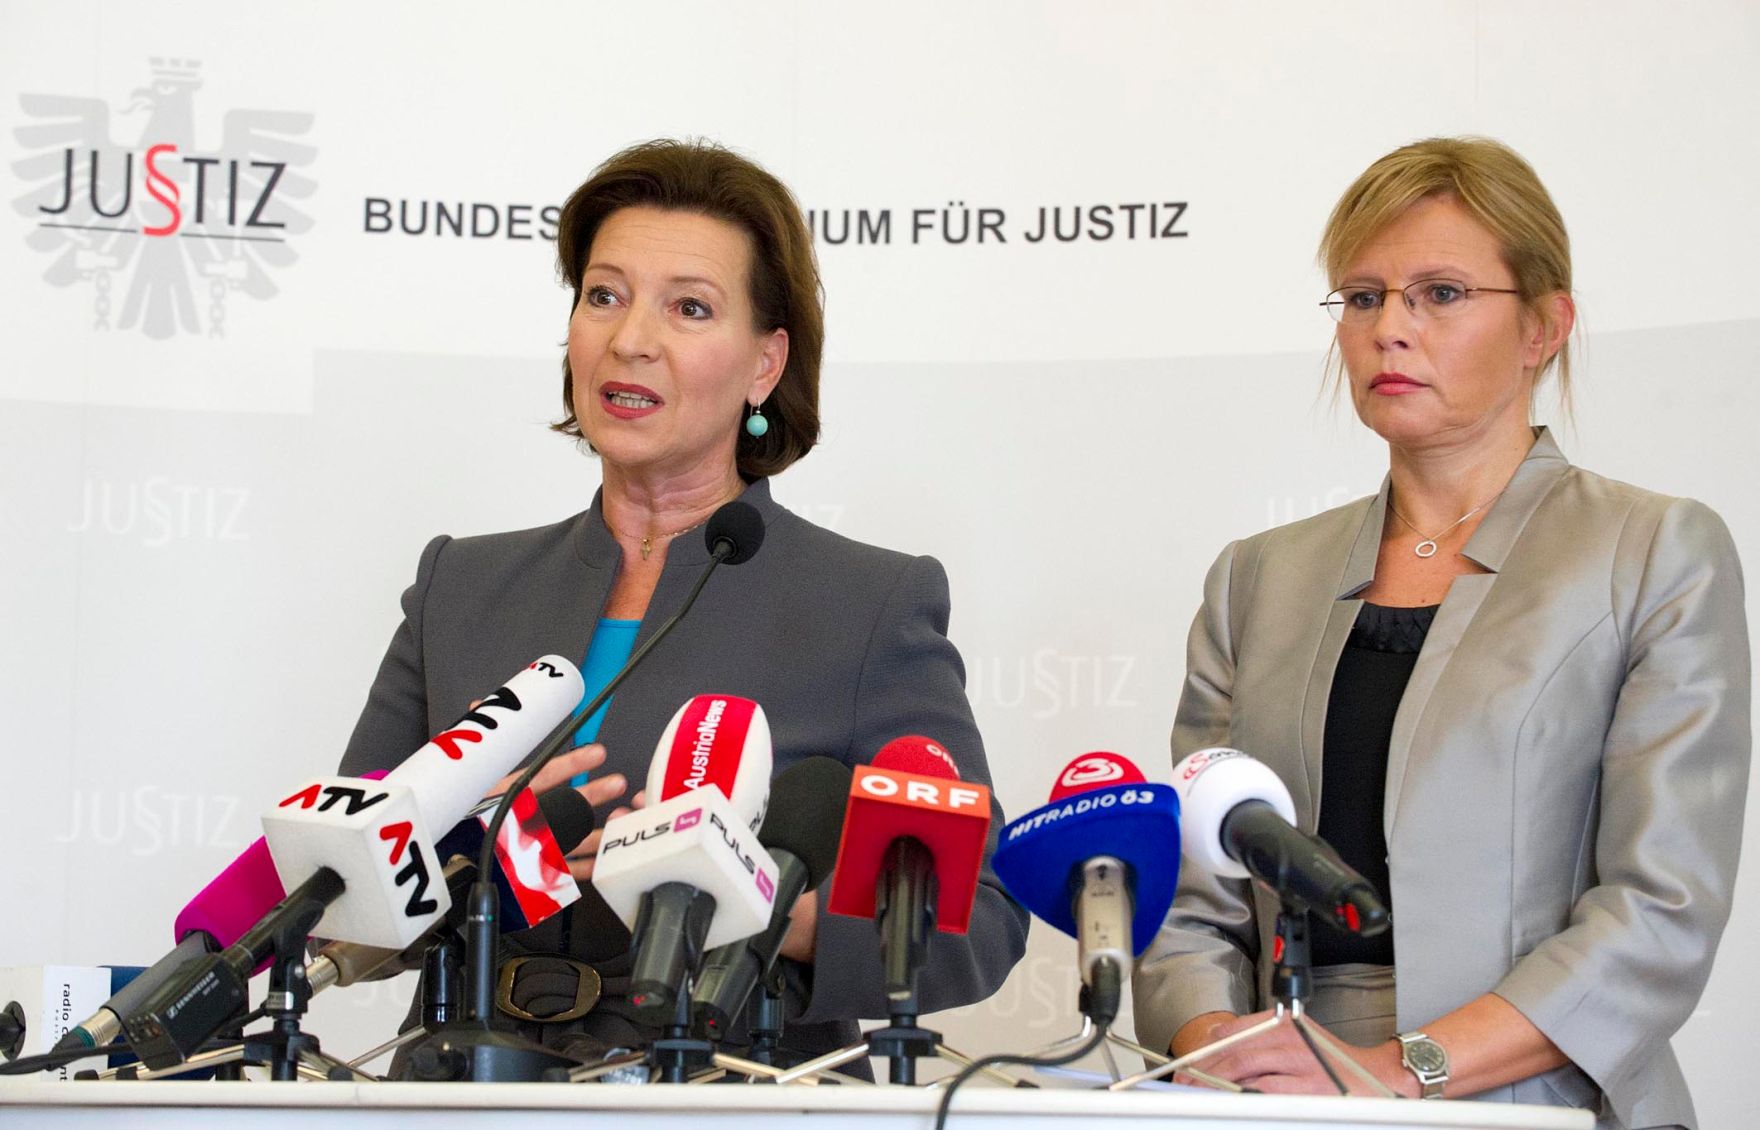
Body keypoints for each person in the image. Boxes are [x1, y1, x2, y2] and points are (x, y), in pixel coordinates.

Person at [339, 138, 1027, 1069]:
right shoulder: (460, 585)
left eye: (690, 308)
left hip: (739, 1084)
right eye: (604, 295)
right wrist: (476, 849)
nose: (630, 339)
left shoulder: (868, 604)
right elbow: (332, 900)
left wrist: (757, 905)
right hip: (468, 1082)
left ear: (763, 365)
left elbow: (974, 919)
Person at [1132, 137, 1748, 1129]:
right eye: (1363, 296)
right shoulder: (1254, 577)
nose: (1390, 329)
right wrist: (1220, 1045)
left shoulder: (1652, 549)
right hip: (1286, 1102)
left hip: (1546, 1096)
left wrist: (1398, 1068)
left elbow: (1658, 909)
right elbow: (1192, 891)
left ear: (1545, 325)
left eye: (1440, 293)